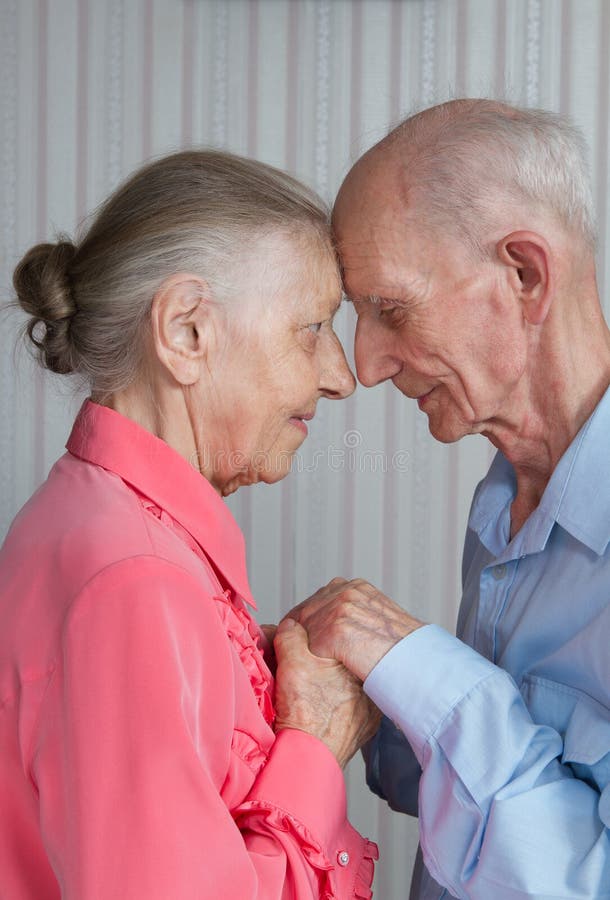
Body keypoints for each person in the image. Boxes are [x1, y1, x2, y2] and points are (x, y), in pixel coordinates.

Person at [0, 149, 380, 899]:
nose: (341, 376)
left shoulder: (107, 531)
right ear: (186, 332)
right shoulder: (135, 580)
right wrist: (314, 744)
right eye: (312, 328)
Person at [281, 100, 610, 898]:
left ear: (524, 274)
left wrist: (417, 663)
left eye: (390, 310)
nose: (364, 366)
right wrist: (366, 692)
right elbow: (485, 801)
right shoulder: (503, 502)